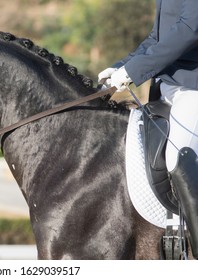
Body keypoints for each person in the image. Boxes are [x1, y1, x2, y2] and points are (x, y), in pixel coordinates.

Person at [98, 0, 198, 259]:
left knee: (178, 157)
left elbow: (190, 29)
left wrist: (134, 71)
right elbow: (158, 36)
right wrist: (122, 66)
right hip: (166, 87)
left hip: (193, 89)